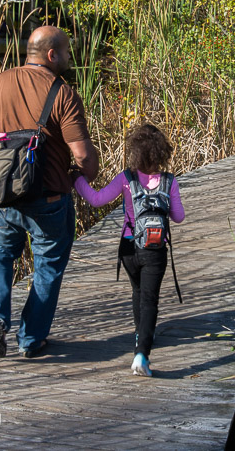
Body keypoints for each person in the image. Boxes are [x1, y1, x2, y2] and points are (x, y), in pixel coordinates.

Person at [0, 26, 99, 359]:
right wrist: (85, 174)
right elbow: (82, 154)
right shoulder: (62, 93)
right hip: (49, 199)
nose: (70, 57)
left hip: (2, 197)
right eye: (67, 52)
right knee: (48, 267)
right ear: (51, 55)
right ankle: (30, 338)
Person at [73, 124, 184, 376]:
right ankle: (142, 354)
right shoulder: (169, 181)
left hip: (128, 248)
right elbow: (179, 217)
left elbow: (97, 199)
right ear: (161, 153)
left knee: (138, 291)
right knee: (149, 300)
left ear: (135, 152)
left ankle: (139, 333)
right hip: (155, 249)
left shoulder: (126, 179)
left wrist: (77, 180)